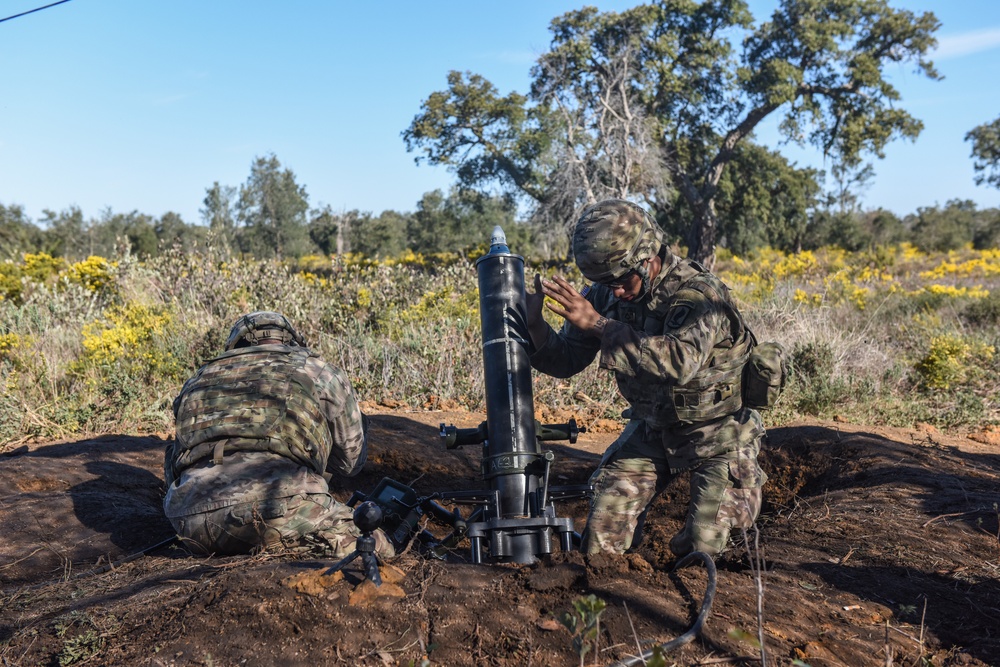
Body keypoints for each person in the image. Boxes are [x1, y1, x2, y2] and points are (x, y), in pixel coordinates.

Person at [526, 199, 767, 558]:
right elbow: (568, 359)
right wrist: (534, 326)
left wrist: (598, 324)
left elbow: (678, 361)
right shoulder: (607, 293)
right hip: (653, 430)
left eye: (624, 281)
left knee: (703, 550)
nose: (617, 292)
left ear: (649, 256)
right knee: (600, 545)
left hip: (718, 433)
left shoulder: (699, 294)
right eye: (606, 283)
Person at [163, 311, 394, 559]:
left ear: (236, 343)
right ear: (290, 340)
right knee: (378, 546)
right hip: (279, 509)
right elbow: (351, 462)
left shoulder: (198, 378)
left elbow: (176, 460)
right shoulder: (317, 371)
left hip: (190, 521)